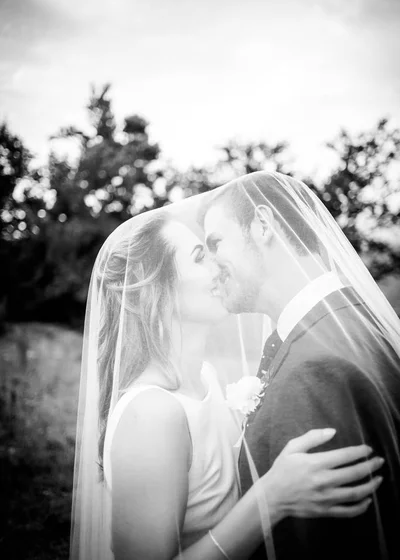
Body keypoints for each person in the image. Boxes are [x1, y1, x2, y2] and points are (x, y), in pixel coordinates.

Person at [70, 209, 382, 560]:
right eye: (201, 257)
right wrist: (270, 500)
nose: (220, 267)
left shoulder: (206, 378)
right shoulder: (152, 413)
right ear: (147, 289)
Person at [200, 171, 400, 560]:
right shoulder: (354, 321)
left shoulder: (316, 370)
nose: (209, 266)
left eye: (216, 243)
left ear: (263, 224)